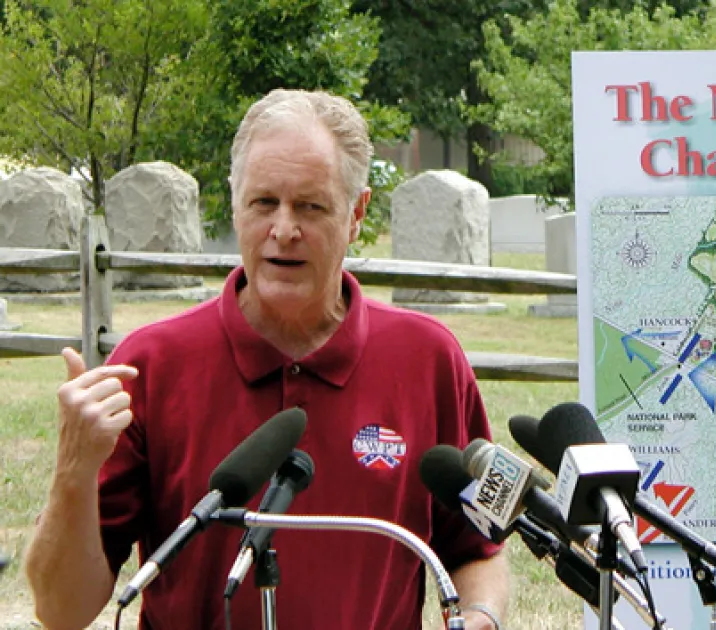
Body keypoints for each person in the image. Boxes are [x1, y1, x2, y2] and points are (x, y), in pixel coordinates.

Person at [24, 89, 509, 629]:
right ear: (235, 204)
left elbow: (478, 550)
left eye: (310, 206)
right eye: (263, 203)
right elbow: (61, 612)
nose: (283, 230)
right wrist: (74, 469)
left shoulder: (428, 360)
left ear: (356, 213)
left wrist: (481, 616)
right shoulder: (151, 365)